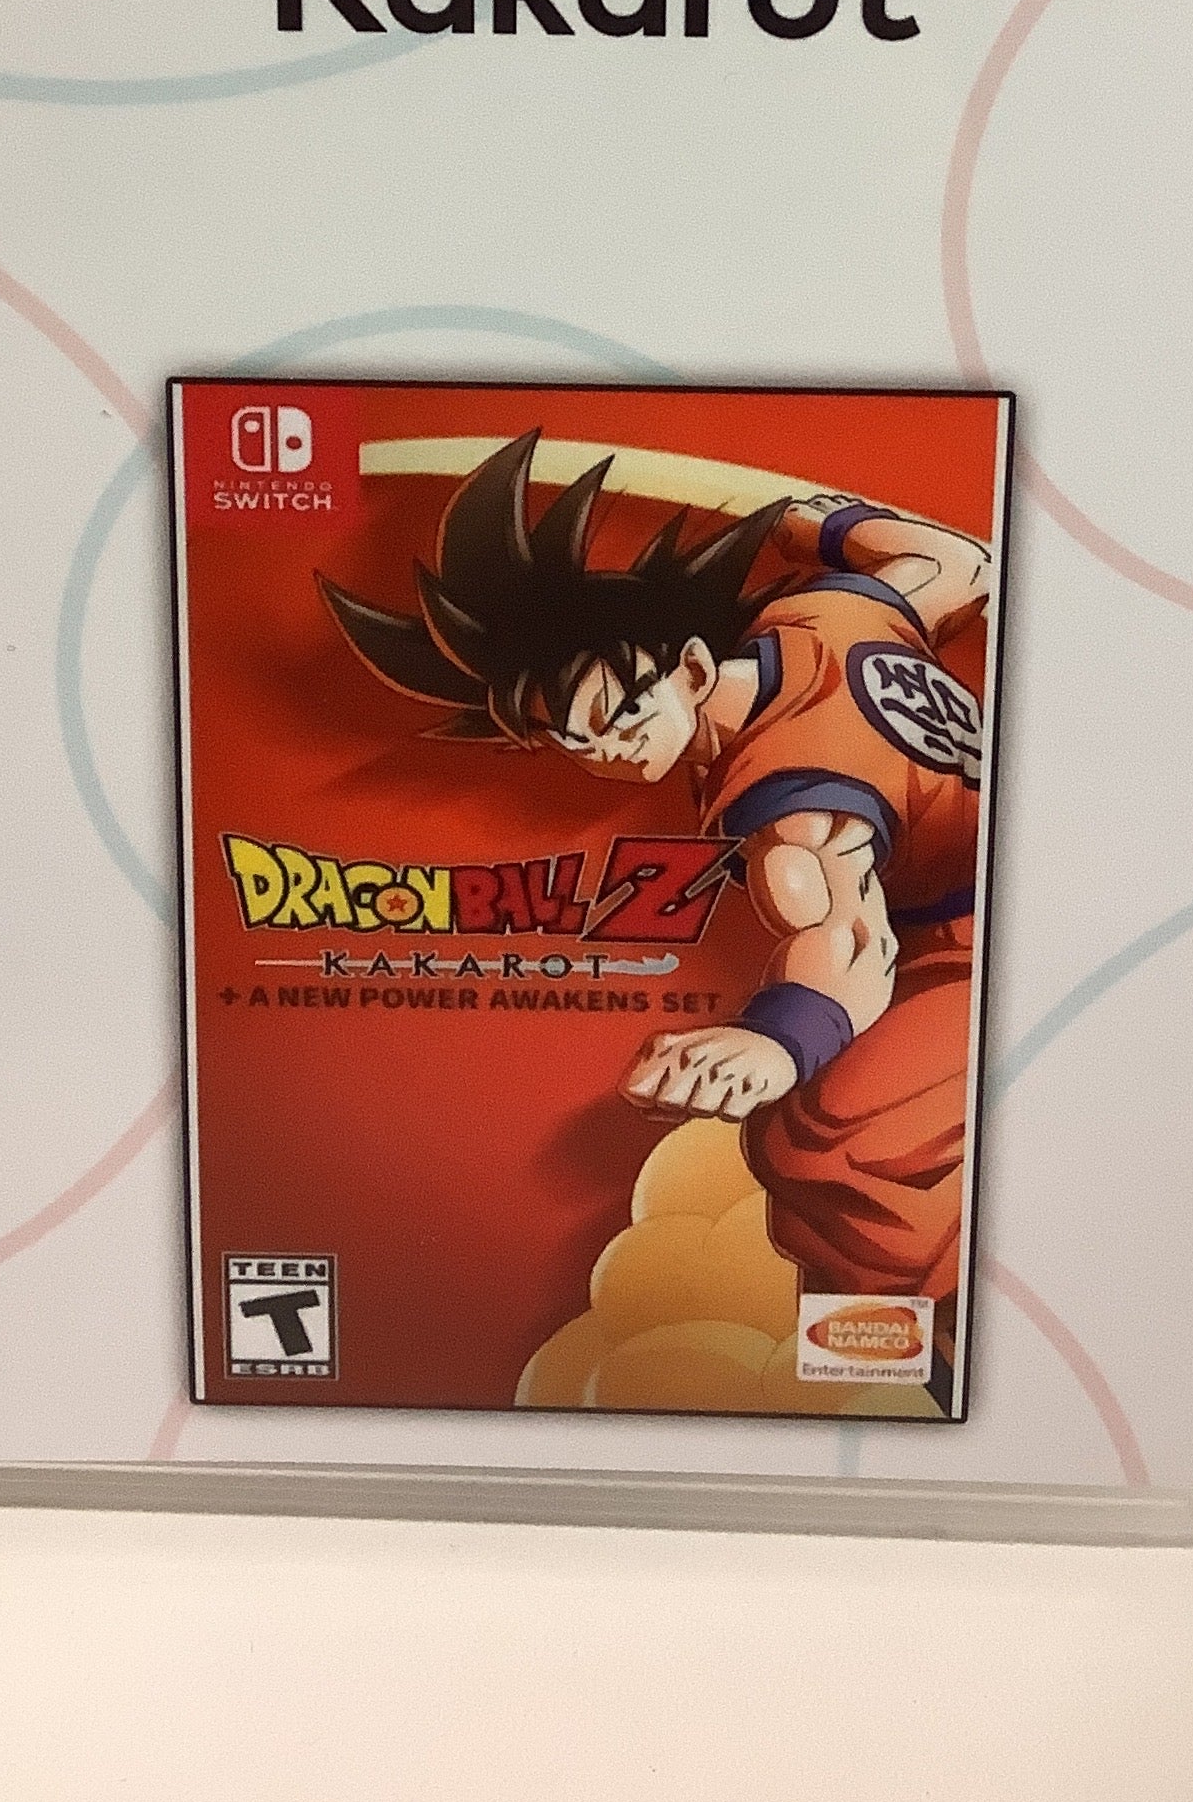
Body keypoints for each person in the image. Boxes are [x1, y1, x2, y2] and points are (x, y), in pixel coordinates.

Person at [318, 428, 993, 1324]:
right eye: (569, 740)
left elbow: (846, 937)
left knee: (823, 1143)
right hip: (965, 890)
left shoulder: (792, 800)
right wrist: (807, 526)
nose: (606, 752)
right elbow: (958, 563)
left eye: (618, 714)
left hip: (974, 944)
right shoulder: (822, 617)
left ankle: (916, 1345)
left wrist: (778, 1041)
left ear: (694, 666)